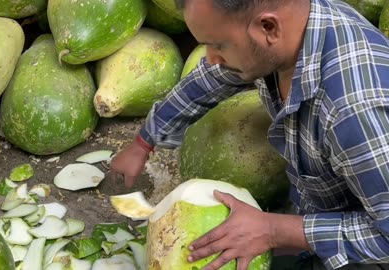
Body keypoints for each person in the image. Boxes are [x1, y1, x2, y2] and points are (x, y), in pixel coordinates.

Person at [110, 0, 389, 269]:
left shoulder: (354, 111)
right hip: (316, 209)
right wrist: (145, 139)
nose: (211, 57)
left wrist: (273, 230)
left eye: (218, 45)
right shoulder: (288, 32)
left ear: (268, 28)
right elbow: (212, 77)